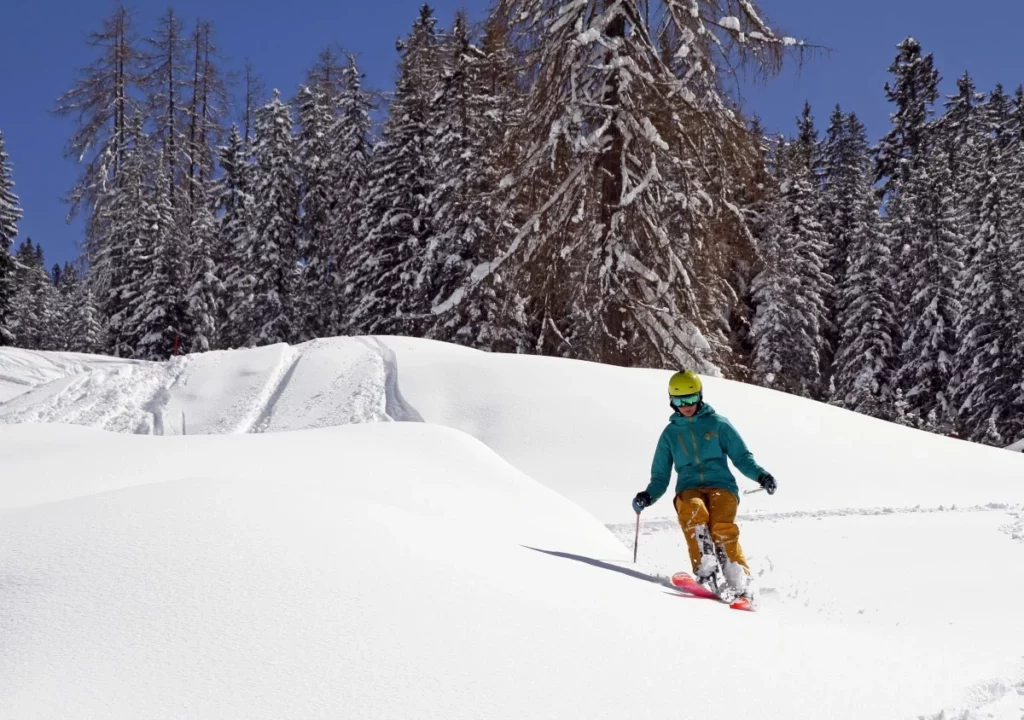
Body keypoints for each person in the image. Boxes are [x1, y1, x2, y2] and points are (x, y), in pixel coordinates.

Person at [632, 370, 776, 598]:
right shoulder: (670, 435)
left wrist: (762, 475)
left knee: (721, 526)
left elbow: (741, 457)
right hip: (689, 489)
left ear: (700, 396)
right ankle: (706, 572)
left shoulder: (718, 424)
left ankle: (740, 581)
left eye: (691, 398)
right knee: (693, 512)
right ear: (671, 401)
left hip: (722, 486)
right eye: (680, 401)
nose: (686, 405)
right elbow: (660, 476)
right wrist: (648, 495)